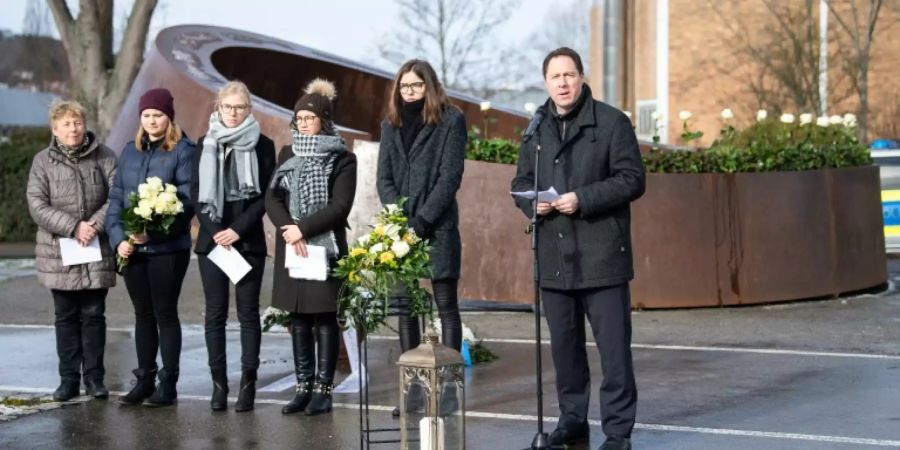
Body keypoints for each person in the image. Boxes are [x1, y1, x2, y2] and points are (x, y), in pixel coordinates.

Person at [510, 47, 645, 450]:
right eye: (556, 77)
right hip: (554, 257)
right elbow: (520, 181)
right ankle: (572, 419)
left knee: (614, 351)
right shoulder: (536, 129)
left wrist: (581, 198)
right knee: (565, 349)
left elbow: (632, 179)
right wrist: (531, 202)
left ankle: (618, 432)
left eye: (570, 75)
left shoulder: (611, 122)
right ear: (546, 83)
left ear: (582, 78)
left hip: (602, 255)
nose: (563, 83)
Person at [376, 60, 466, 416]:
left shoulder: (451, 120)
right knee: (407, 311)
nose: (409, 92)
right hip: (401, 232)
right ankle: (412, 391)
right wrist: (400, 221)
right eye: (404, 86)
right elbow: (383, 178)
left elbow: (449, 177)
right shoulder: (390, 125)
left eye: (416, 86)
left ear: (429, 86)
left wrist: (421, 222)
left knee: (446, 308)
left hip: (437, 227)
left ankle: (448, 390)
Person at [265, 78, 357, 416]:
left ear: (324, 119)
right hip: (293, 245)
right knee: (298, 317)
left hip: (323, 246)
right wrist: (288, 228)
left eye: (310, 117)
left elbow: (340, 206)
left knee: (324, 318)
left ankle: (323, 388)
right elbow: (272, 195)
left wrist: (301, 229)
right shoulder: (287, 152)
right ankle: (303, 386)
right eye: (299, 118)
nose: (303, 123)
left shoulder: (343, 159)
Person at [106, 88, 195, 407]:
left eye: (158, 115)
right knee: (142, 315)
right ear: (140, 118)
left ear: (168, 117)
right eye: (147, 115)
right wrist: (119, 239)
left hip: (167, 250)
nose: (152, 120)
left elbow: (187, 203)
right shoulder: (130, 151)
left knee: (164, 313)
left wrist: (152, 236)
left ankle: (167, 384)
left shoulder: (184, 150)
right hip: (132, 250)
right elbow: (116, 198)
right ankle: (144, 379)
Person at [192, 80, 276, 412]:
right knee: (214, 315)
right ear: (218, 107)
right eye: (228, 106)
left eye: (240, 107)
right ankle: (218, 385)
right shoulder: (205, 143)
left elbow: (266, 197)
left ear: (249, 110)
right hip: (212, 244)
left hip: (247, 241)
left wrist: (237, 231)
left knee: (248, 315)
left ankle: (247, 385)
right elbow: (198, 194)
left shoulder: (264, 146)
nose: (233, 112)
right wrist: (216, 232)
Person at [26, 100, 118, 401]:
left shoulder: (104, 156)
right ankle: (67, 380)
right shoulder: (42, 161)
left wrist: (93, 224)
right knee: (65, 316)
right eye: (66, 124)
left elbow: (118, 194)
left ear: (85, 124)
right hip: (58, 252)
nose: (73, 128)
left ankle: (94, 379)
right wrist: (73, 226)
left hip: (96, 247)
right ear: (55, 129)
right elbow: (37, 204)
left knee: (94, 315)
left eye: (77, 122)